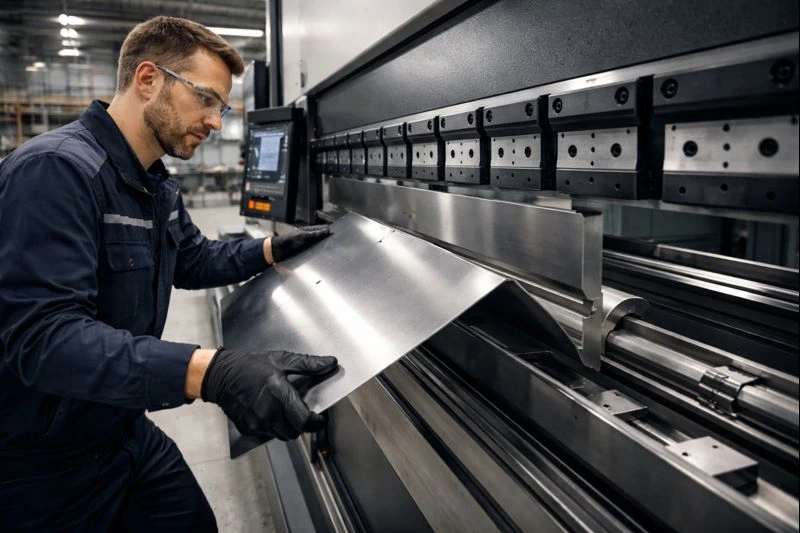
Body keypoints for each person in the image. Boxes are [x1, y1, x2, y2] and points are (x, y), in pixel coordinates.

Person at [0, 16, 338, 532]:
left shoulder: (154, 184)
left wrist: (271, 248)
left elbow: (193, 260)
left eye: (221, 108)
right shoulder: (55, 171)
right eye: (206, 99)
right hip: (41, 462)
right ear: (148, 79)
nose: (216, 122)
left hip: (120, 428)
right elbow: (45, 338)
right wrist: (210, 371)